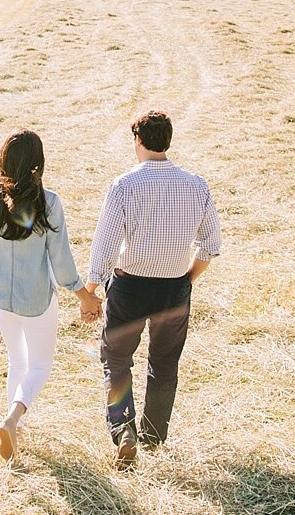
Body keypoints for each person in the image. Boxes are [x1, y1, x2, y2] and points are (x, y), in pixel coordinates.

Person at [83, 110, 221, 469]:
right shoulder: (197, 185)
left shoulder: (124, 185)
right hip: (174, 289)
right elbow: (210, 246)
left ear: (138, 141)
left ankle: (123, 430)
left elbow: (105, 243)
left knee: (116, 359)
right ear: (167, 141)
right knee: (164, 364)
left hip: (129, 287)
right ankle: (154, 436)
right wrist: (186, 280)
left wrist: (92, 290)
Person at [0, 129, 102, 462]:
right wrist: (85, 297)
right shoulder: (48, 202)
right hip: (36, 300)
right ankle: (12, 418)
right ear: (39, 163)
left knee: (17, 361)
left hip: (0, 299)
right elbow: (62, 261)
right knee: (38, 366)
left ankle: (16, 427)